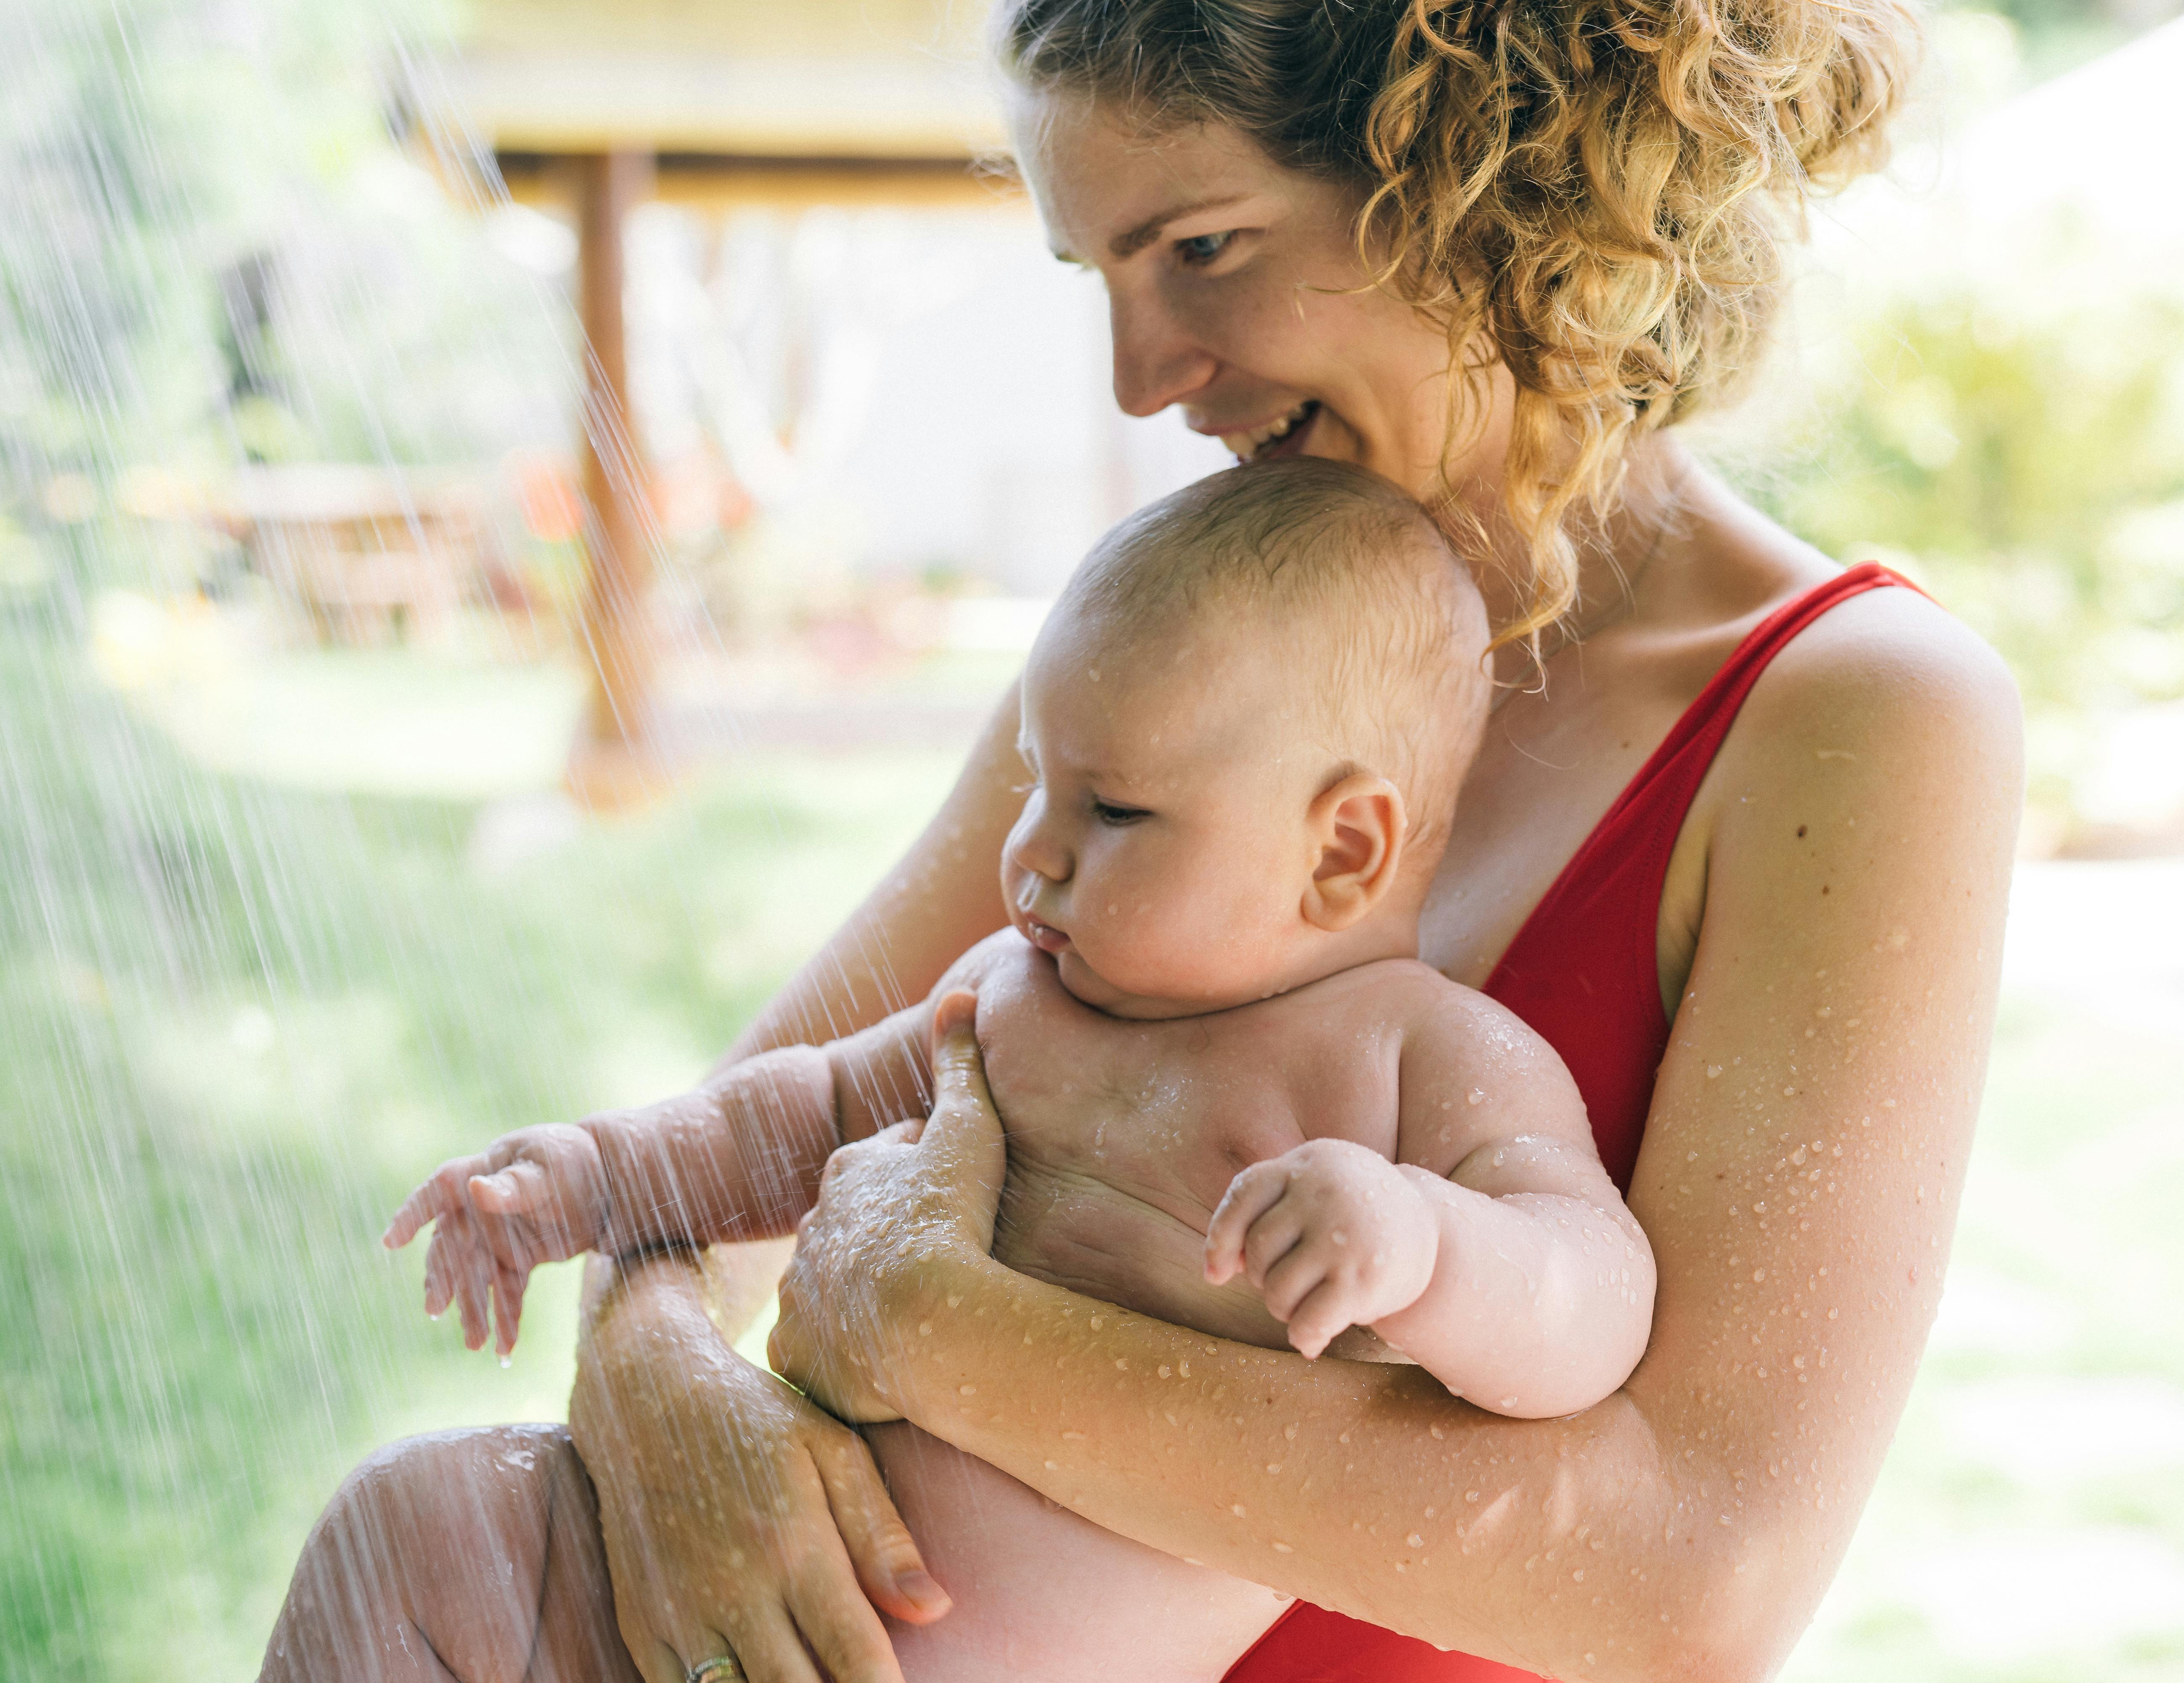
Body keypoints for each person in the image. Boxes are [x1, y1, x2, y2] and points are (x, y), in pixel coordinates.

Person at [258, 0, 2022, 1672]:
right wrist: (659, 1389)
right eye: (1098, 269)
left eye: (1201, 250)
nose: (1141, 376)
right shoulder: (1185, 651)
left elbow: (1693, 1582)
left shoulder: (1858, 716)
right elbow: (735, 1160)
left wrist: (931, 1328)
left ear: (1485, 179)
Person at [363, 461, 1654, 1683]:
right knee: (405, 1528)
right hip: (749, 1600)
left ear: (1341, 851)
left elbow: (1592, 1301)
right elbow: (796, 1114)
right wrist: (591, 1176)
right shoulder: (1011, 995)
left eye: (1115, 812)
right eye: (1037, 782)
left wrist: (1427, 1246)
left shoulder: (1424, 1061)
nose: (1032, 851)